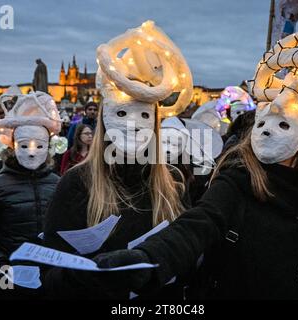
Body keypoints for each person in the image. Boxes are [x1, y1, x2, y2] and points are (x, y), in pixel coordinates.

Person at [63, 21, 298, 300]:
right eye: (261, 124)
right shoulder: (237, 180)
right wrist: (145, 261)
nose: (265, 132)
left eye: (283, 126)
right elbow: (196, 227)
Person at [43, 21, 194, 299]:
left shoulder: (172, 181)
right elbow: (49, 276)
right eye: (122, 115)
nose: (134, 126)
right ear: (104, 120)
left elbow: (188, 260)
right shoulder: (77, 183)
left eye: (144, 116)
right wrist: (92, 272)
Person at [0, 92, 61, 300]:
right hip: (8, 282)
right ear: (13, 146)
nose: (31, 152)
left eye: (39, 146)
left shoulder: (58, 184)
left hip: (49, 280)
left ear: (48, 148)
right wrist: (0, 264)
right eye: (24, 145)